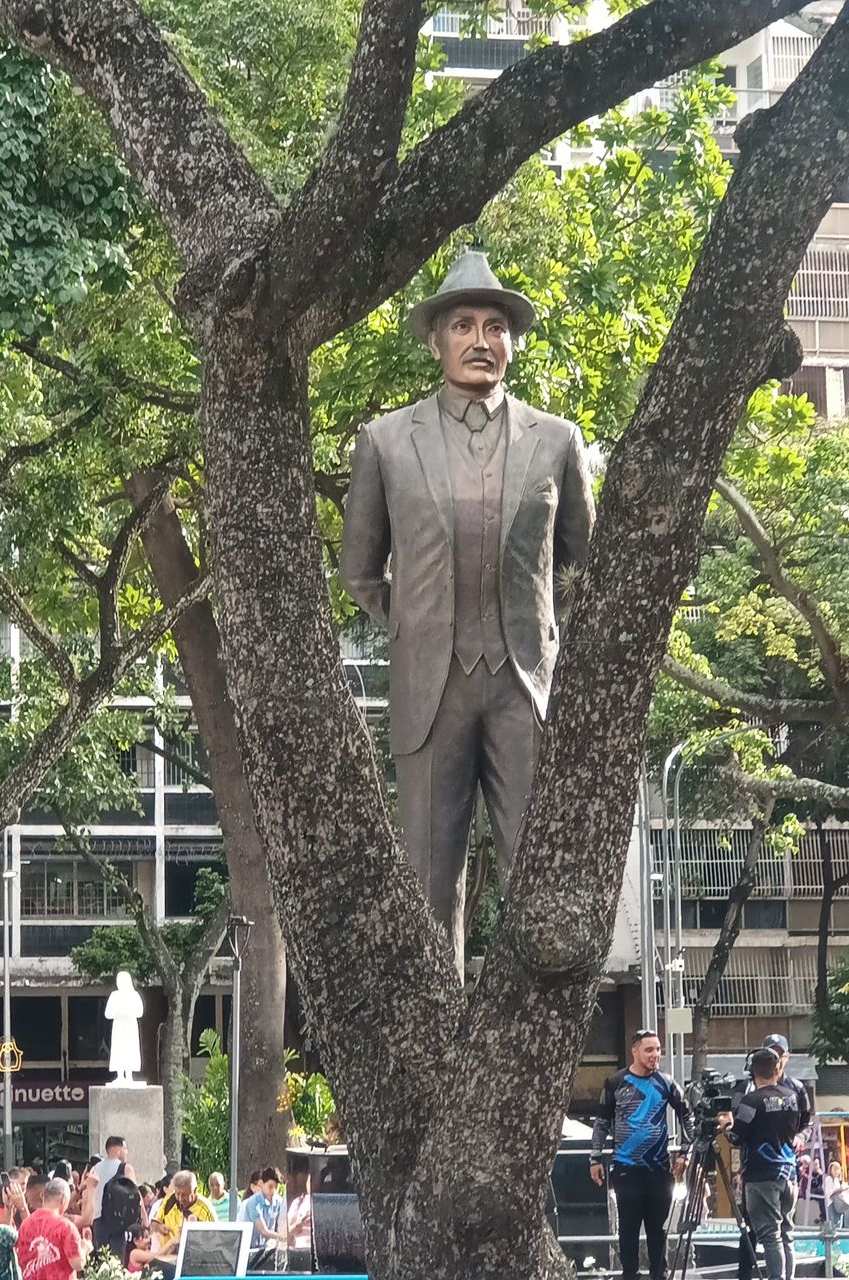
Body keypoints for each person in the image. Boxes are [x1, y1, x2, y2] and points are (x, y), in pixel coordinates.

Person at [340, 249, 595, 979]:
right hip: (431, 688)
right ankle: (439, 1026)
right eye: (463, 325)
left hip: (525, 686)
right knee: (429, 880)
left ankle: (525, 1025)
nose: (481, 340)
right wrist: (417, 627)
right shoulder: (386, 441)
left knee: (535, 876)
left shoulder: (557, 440)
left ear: (512, 341)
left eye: (495, 326)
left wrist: (536, 620)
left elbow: (585, 560)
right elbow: (359, 571)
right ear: (435, 341)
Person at [590, 1029, 694, 1280]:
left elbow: (688, 1116)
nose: (655, 1055)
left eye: (658, 1049)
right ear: (634, 1051)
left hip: (659, 1169)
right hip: (626, 1169)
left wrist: (685, 1152)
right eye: (649, 1050)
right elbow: (601, 1122)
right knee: (628, 1229)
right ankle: (630, 1275)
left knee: (658, 1228)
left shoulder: (667, 1082)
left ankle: (660, 1275)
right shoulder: (615, 1082)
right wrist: (595, 1157)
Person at [729, 1048, 800, 1280]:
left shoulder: (751, 1101)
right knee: (786, 1233)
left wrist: (727, 1125)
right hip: (789, 1173)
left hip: (762, 1176)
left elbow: (736, 1137)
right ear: (777, 1069)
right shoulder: (791, 1097)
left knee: (770, 1236)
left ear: (753, 1072)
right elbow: (800, 1124)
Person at [15, 1176, 89, 1280]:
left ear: (43, 1196)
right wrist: (85, 1248)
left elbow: (21, 1260)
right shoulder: (65, 1226)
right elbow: (77, 1263)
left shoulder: (25, 1225)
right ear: (63, 1200)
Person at [85, 1136, 136, 1248]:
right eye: (125, 1148)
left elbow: (87, 1195)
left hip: (98, 1222)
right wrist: (144, 1220)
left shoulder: (94, 1169)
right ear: (117, 1150)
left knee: (102, 1255)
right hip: (119, 1223)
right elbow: (136, 1196)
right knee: (120, 1256)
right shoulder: (125, 1168)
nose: (126, 1152)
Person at [150, 1171, 214, 1245]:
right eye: (177, 1194)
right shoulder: (168, 1200)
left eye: (184, 1195)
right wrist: (160, 1227)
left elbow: (213, 1239)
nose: (180, 1198)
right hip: (168, 1251)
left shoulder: (206, 1209)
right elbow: (153, 1224)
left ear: (195, 1190)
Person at [239, 1167, 286, 1252]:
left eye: (276, 1187)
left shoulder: (278, 1201)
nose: (273, 1191)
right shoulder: (253, 1202)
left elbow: (282, 1224)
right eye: (270, 1187)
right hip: (249, 1249)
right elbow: (264, 1231)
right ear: (261, 1183)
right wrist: (284, 1238)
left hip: (267, 1248)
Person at [825, 1161, 847, 1227]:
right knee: (834, 1222)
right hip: (832, 1203)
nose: (836, 1171)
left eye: (837, 1169)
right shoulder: (829, 1179)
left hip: (839, 1204)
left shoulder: (837, 1180)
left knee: (839, 1222)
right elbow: (829, 1192)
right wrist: (839, 1189)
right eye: (834, 1169)